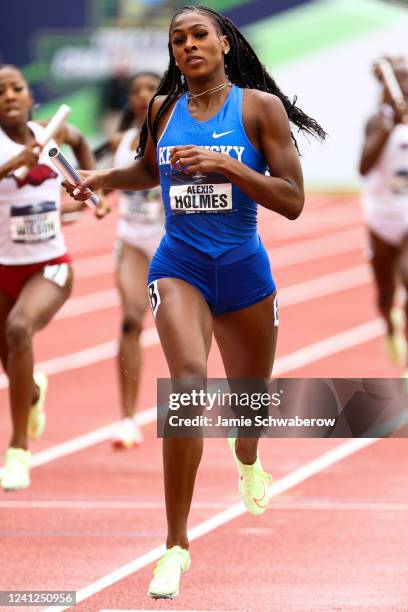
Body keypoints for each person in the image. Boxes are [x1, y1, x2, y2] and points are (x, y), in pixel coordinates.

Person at [66, 5, 325, 599]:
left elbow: (293, 200)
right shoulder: (163, 109)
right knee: (187, 382)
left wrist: (227, 164)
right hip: (179, 265)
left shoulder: (259, 109)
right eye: (177, 40)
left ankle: (247, 454)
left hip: (243, 273)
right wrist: (99, 179)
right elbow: (147, 170)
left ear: (225, 43)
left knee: (248, 405)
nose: (187, 46)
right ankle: (175, 544)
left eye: (198, 35)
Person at [0, 64, 105, 491]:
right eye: (0, 90)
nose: (8, 95)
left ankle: (18, 450)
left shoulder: (49, 132)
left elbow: (79, 139)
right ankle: (34, 393)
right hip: (3, 266)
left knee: (19, 329)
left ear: (30, 97)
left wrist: (88, 189)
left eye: (16, 88)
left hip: (50, 265)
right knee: (10, 354)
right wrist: (12, 165)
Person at [98, 72, 165, 448]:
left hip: (174, 243)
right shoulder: (119, 142)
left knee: (184, 328)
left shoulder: (176, 134)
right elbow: (97, 184)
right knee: (129, 322)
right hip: (134, 242)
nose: (142, 95)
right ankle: (127, 418)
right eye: (136, 90)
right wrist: (83, 201)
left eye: (149, 88)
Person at [359, 56, 408, 371]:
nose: (403, 85)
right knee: (385, 290)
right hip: (380, 215)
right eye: (399, 79)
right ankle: (390, 328)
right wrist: (390, 126)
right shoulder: (378, 122)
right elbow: (363, 167)